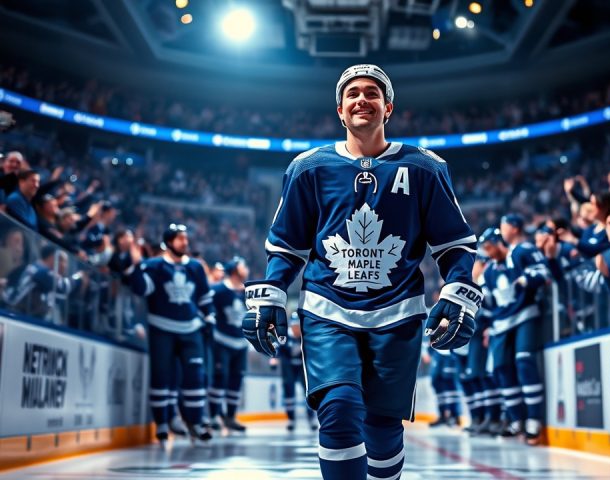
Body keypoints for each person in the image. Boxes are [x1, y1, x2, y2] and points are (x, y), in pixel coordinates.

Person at [242, 64, 481, 480]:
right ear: (340, 110)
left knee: (383, 430)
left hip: (398, 312)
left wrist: (458, 289)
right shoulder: (308, 167)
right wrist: (273, 292)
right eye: (352, 94)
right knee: (338, 410)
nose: (361, 100)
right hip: (327, 310)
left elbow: (454, 244)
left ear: (388, 108)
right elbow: (286, 245)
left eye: (372, 93)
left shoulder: (425, 167)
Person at [126, 223, 216, 444]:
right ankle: (162, 423)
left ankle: (196, 422)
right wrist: (136, 265)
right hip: (162, 328)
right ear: (168, 242)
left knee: (195, 375)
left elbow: (205, 297)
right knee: (162, 376)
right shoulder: (154, 265)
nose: (185, 242)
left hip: (191, 329)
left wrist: (209, 317)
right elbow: (141, 289)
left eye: (185, 238)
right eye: (180, 239)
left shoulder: (195, 267)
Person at [478, 219, 551, 445]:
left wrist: (523, 280)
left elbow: (543, 273)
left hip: (524, 315)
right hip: (500, 324)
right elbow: (488, 305)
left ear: (497, 242)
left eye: (488, 247)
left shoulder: (522, 252)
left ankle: (534, 421)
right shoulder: (488, 273)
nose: (487, 254)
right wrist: (486, 324)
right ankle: (516, 420)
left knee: (524, 361)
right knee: (501, 369)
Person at [208, 256, 249, 434]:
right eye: (243, 266)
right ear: (234, 270)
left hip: (241, 343)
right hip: (221, 341)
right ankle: (213, 416)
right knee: (220, 377)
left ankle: (230, 416)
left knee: (236, 379)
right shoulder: (217, 290)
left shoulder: (249, 291)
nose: (246, 269)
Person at [275, 312, 318, 432]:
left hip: (303, 365)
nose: (297, 329)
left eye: (299, 326)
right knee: (288, 390)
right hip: (288, 365)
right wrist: (274, 359)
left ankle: (311, 418)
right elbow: (277, 348)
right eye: (294, 326)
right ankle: (291, 419)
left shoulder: (306, 336)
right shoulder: (284, 336)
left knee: (309, 391)